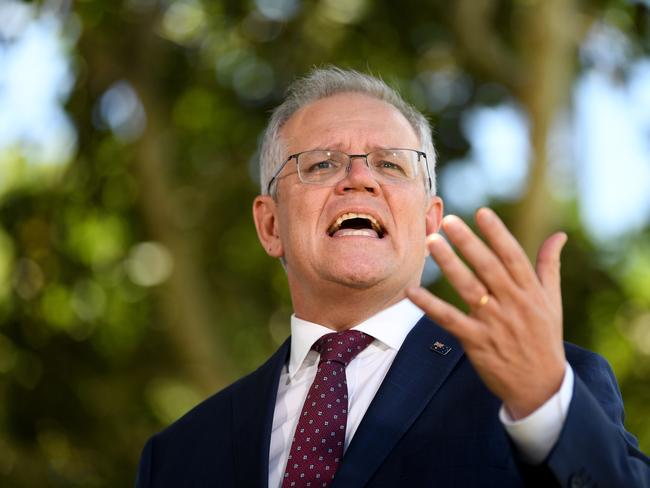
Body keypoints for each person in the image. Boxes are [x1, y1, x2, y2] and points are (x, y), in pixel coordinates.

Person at [135, 67, 649, 487]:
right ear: (270, 225)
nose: (358, 179)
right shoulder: (178, 455)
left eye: (390, 165)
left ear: (430, 221)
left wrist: (546, 409)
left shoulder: (549, 386)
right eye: (320, 164)